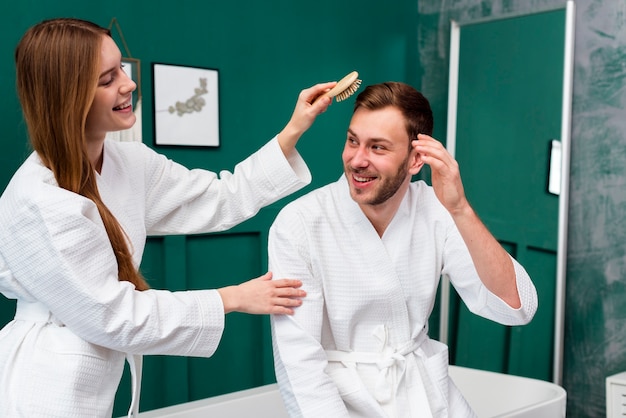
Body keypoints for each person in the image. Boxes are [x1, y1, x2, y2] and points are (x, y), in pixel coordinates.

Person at [0, 17, 337, 418]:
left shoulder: (128, 162)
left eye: (121, 69)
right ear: (66, 97)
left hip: (93, 376)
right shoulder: (41, 200)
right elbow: (114, 316)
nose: (128, 84)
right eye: (107, 80)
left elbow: (220, 197)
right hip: (44, 386)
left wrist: (293, 129)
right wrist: (233, 298)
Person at [268, 82, 539, 417]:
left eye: (377, 148)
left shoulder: (437, 210)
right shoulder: (299, 223)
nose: (356, 159)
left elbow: (516, 306)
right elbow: (299, 363)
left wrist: (460, 210)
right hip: (340, 403)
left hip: (425, 395)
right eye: (353, 141)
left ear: (415, 160)